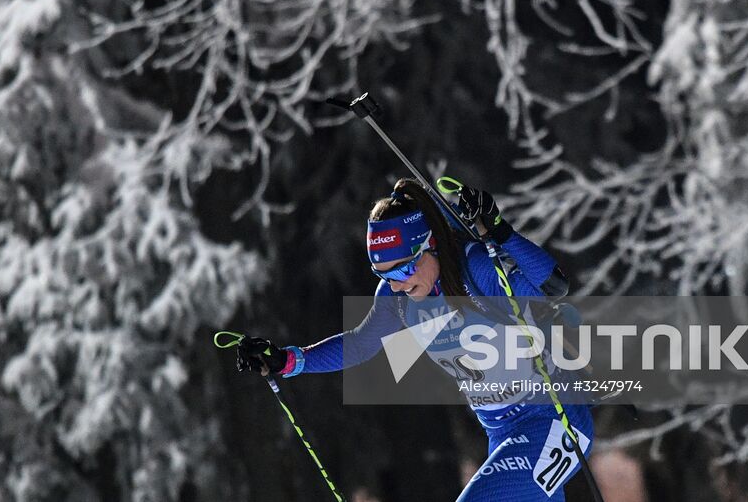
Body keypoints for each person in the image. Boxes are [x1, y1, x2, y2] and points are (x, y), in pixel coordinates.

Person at [233, 177, 592, 502]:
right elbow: (361, 344)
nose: (398, 284)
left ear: (430, 245)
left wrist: (500, 232)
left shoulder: (476, 269)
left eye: (404, 269)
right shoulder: (398, 300)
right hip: (503, 435)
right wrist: (286, 361)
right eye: (383, 274)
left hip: (556, 419)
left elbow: (553, 287)